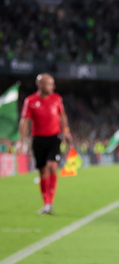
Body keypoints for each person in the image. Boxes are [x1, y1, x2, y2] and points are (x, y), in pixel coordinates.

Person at [18, 73, 73, 215]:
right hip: (38, 139)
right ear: (41, 85)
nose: (53, 86)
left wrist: (66, 130)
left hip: (54, 138)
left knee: (52, 167)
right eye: (50, 83)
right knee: (43, 171)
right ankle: (47, 204)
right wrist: (21, 141)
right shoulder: (30, 101)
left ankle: (51, 202)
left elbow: (62, 115)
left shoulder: (57, 99)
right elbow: (24, 121)